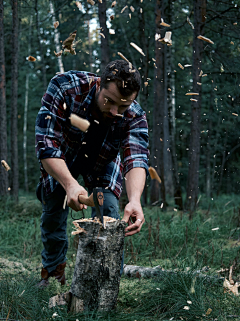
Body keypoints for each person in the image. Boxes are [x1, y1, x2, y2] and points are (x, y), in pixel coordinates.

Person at [35, 59, 149, 286]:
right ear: (99, 84)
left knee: (108, 212)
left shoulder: (134, 115)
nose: (116, 112)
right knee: (54, 211)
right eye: (109, 101)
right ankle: (53, 274)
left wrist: (135, 200)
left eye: (123, 106)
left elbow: (135, 158)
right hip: (62, 157)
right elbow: (46, 144)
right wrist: (69, 184)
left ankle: (106, 284)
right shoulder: (65, 87)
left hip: (103, 162)